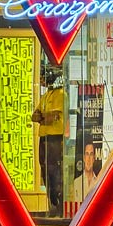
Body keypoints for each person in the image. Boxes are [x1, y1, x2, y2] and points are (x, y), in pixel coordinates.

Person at [32, 67, 64, 216]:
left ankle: (58, 202)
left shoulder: (61, 94)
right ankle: (52, 202)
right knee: (45, 170)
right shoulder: (46, 96)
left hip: (54, 138)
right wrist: (45, 117)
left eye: (43, 77)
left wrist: (43, 117)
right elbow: (34, 116)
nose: (42, 80)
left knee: (54, 171)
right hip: (44, 137)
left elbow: (54, 117)